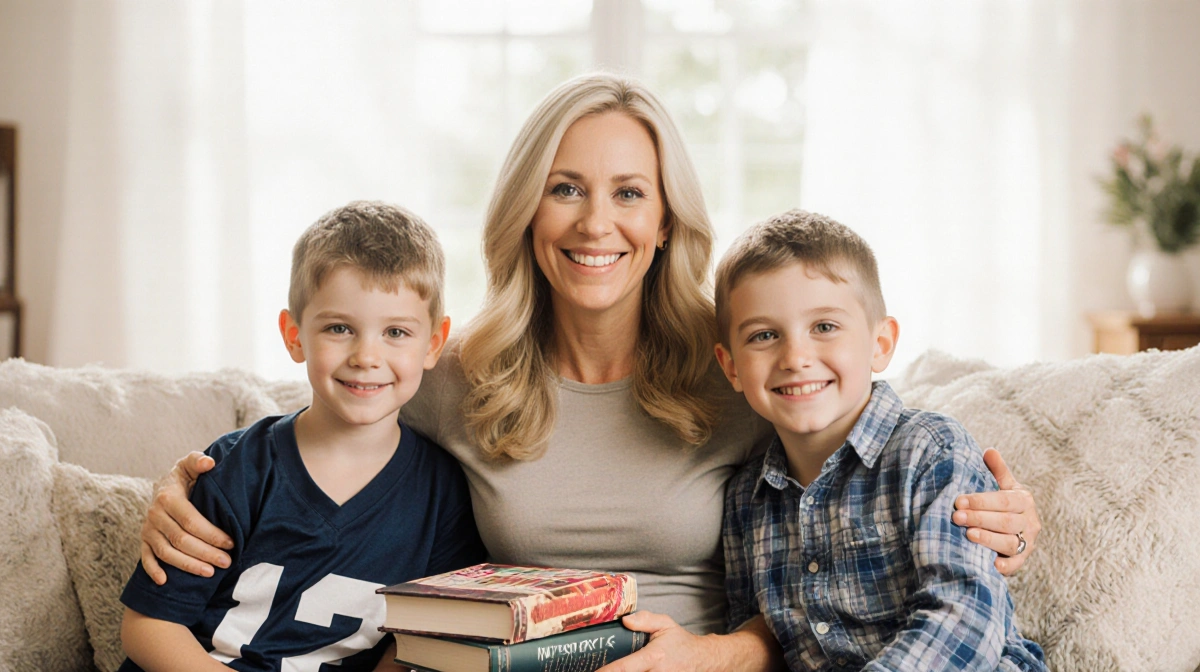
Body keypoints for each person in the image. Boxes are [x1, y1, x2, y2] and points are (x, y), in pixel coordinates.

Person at [137, 74, 1042, 671]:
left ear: (663, 220)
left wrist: (995, 518)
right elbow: (329, 410)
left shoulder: (741, 366)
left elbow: (865, 456)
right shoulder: (461, 376)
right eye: (566, 188)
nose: (593, 223)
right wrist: (186, 484)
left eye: (628, 192)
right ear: (529, 210)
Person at [119, 201, 485, 671]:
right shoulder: (237, 470)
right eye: (339, 328)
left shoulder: (443, 495)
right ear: (294, 336)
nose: (366, 356)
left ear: (433, 343)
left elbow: (421, 640)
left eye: (395, 331)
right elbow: (149, 627)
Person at [714, 210, 1046, 671]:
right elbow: (751, 632)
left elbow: (963, 617)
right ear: (731, 366)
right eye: (764, 335)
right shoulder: (745, 502)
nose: (795, 357)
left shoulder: (931, 453)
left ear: (881, 343)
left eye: (824, 327)